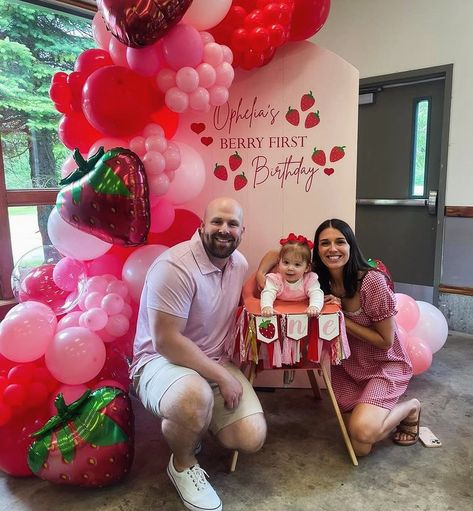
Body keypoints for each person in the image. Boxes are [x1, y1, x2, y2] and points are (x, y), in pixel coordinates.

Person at [131, 197, 267, 511]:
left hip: (212, 360)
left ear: (241, 231)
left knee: (251, 437)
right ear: (201, 226)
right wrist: (221, 376)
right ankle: (182, 462)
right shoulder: (175, 266)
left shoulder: (240, 265)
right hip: (159, 361)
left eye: (232, 224)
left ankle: (191, 425)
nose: (224, 229)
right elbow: (166, 342)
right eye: (217, 221)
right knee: (193, 397)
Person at [257, 218, 420, 456]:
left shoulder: (372, 281)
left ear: (351, 245)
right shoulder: (317, 282)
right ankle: (373, 412)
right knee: (360, 447)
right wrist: (261, 274)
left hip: (382, 364)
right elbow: (276, 253)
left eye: (339, 242)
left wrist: (340, 315)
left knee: (363, 432)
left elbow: (385, 341)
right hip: (346, 367)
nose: (332, 249)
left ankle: (411, 408)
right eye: (325, 243)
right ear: (316, 251)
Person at [260, 233, 324, 317]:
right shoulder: (275, 280)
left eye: (297, 264)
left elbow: (316, 293)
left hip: (302, 313)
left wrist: (314, 306)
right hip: (281, 312)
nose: (290, 268)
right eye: (286, 262)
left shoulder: (309, 280)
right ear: (279, 262)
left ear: (307, 268)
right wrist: (267, 306)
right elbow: (268, 293)